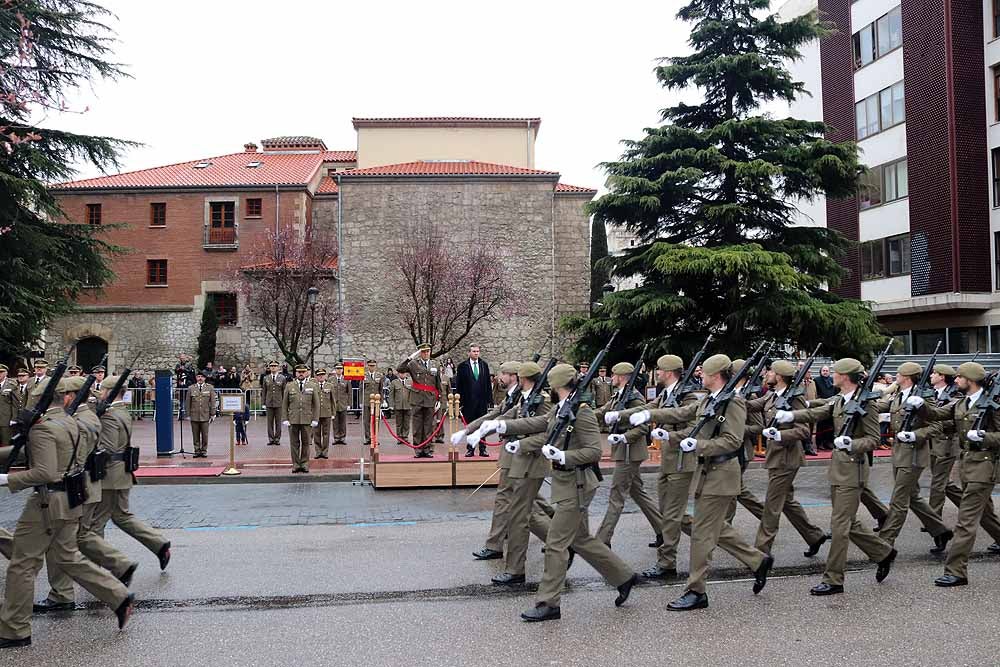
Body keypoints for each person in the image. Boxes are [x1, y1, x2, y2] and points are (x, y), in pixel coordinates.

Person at [487, 363, 638, 622]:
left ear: (557, 386)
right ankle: (623, 575)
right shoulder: (561, 408)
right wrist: (508, 432)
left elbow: (593, 451)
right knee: (580, 539)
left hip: (578, 483)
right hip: (566, 482)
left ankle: (549, 603)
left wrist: (563, 455)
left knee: (556, 544)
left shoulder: (583, 412)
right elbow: (542, 426)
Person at [0, 376, 134, 649]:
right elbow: (43, 452)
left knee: (22, 566)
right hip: (73, 498)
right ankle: (118, 596)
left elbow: (45, 471)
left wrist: (5, 480)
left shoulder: (44, 428)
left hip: (48, 502)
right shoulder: (71, 422)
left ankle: (15, 629)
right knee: (68, 557)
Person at [633, 354, 773, 611]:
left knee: (701, 534)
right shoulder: (710, 400)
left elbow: (733, 440)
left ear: (716, 375)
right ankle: (757, 560)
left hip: (721, 475)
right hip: (706, 473)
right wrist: (670, 434)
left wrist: (699, 445)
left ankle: (696, 591)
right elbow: (688, 419)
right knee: (713, 528)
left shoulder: (733, 403)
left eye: (704, 372)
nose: (700, 375)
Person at [774, 357, 897, 595]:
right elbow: (821, 411)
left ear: (845, 376)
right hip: (838, 469)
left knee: (839, 526)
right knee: (847, 522)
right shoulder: (842, 399)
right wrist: (792, 416)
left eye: (836, 373)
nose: (832, 376)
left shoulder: (867, 404)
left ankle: (833, 579)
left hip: (853, 470)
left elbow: (873, 439)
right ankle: (883, 552)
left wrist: (852, 443)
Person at [36, 375, 139, 613]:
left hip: (76, 485)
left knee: (64, 542)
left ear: (70, 396)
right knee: (79, 537)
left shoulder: (77, 421)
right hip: (87, 484)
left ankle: (65, 593)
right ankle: (118, 567)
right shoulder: (90, 416)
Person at [606, 354, 701, 578]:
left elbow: (694, 427)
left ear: (668, 372)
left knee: (672, 515)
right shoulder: (666, 395)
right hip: (668, 462)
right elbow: (647, 409)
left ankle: (668, 562)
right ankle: (708, 537)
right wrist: (618, 415)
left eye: (659, 370)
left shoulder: (687, 396)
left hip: (681, 462)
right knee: (670, 514)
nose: (656, 373)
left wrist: (670, 434)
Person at [917, 361, 1000, 586]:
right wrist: (920, 405)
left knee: (965, 521)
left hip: (983, 467)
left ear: (970, 380)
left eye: (959, 377)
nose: (956, 380)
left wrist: (984, 436)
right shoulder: (961, 404)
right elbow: (936, 415)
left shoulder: (992, 405)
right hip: (967, 466)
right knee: (985, 514)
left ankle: (956, 571)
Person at [473, 361, 556, 584]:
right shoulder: (522, 398)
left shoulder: (543, 401)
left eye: (505, 373)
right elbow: (506, 416)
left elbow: (547, 430)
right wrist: (476, 430)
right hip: (516, 458)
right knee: (518, 509)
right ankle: (512, 563)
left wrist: (521, 443)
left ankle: (561, 543)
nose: (501, 376)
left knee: (521, 511)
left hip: (530, 461)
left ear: (520, 377)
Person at [749, 360, 830, 556]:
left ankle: (761, 552)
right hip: (775, 456)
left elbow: (803, 430)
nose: (767, 374)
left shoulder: (795, 398)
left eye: (770, 372)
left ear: (778, 376)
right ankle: (814, 535)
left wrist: (780, 435)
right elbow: (752, 405)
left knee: (772, 504)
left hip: (787, 457)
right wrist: (732, 399)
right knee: (786, 501)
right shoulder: (771, 394)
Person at [91, 377, 171, 570]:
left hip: (111, 476)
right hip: (122, 473)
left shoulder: (109, 415)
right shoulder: (122, 412)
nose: (99, 394)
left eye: (101, 391)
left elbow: (108, 448)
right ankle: (158, 544)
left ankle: (96, 568)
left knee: (95, 524)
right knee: (121, 516)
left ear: (109, 391)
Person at [874, 362, 953, 552]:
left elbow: (936, 426)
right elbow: (882, 405)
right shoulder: (899, 395)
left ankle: (885, 544)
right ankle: (940, 530)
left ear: (907, 377)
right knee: (913, 496)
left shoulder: (923, 397)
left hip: (914, 454)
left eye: (899, 374)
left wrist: (914, 435)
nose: (896, 377)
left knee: (899, 500)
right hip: (899, 453)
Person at [456, 361, 524, 561]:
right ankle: (558, 536)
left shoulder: (523, 397)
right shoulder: (511, 396)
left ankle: (495, 544)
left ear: (513, 376)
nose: (499, 377)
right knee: (527, 502)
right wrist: (468, 430)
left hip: (518, 453)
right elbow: (493, 414)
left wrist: (485, 430)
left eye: (503, 374)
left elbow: (509, 421)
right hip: (511, 452)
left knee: (507, 499)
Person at [594, 361, 662, 547]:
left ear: (622, 376)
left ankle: (603, 539)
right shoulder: (620, 395)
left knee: (617, 495)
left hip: (630, 451)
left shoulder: (634, 398)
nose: (612, 378)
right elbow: (602, 411)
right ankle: (663, 530)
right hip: (624, 451)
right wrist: (583, 415)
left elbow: (643, 427)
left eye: (614, 375)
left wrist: (624, 437)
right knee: (638, 492)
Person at [925, 364, 965, 518]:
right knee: (943, 483)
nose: (931, 375)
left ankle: (934, 518)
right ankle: (970, 506)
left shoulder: (956, 396)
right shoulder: (932, 394)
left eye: (934, 373)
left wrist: (934, 423)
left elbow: (956, 420)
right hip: (933, 442)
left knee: (937, 482)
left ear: (942, 377)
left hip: (946, 443)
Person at [397, 344, 442, 458]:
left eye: (428, 351)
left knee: (429, 426)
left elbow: (438, 382)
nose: (426, 354)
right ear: (420, 353)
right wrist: (410, 357)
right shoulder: (413, 364)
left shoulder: (435, 364)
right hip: (417, 399)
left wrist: (439, 398)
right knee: (417, 426)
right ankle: (418, 449)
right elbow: (400, 369)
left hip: (430, 399)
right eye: (423, 352)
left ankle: (427, 449)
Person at [456, 345, 493, 457]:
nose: (476, 353)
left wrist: (489, 400)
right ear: (469, 352)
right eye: (474, 351)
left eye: (477, 351)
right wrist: (460, 402)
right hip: (468, 402)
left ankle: (483, 449)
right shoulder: (462, 366)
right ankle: (470, 449)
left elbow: (487, 383)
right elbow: (459, 385)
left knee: (482, 426)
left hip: (481, 402)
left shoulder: (483, 365)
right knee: (470, 426)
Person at [283, 364, 319, 473]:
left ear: (307, 373)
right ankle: (295, 464)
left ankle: (304, 463)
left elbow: (316, 404)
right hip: (293, 419)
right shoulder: (289, 386)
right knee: (294, 443)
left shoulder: (312, 386)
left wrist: (315, 419)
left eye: (303, 372)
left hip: (307, 419)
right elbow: (285, 404)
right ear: (295, 373)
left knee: (306, 442)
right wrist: (285, 418)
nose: (301, 374)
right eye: (299, 372)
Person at [184, 370, 217, 458]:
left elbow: (212, 402)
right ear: (196, 378)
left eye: (202, 377)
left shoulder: (210, 388)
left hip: (205, 415)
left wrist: (213, 413)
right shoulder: (191, 388)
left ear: (205, 378)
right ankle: (196, 450)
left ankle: (204, 450)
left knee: (205, 434)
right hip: (194, 415)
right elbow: (188, 402)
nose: (200, 378)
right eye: (198, 377)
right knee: (195, 434)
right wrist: (188, 414)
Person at [261, 361, 287, 446]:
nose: (273, 367)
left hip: (279, 403)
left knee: (278, 422)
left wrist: (285, 403)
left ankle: (277, 438)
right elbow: (264, 391)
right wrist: (263, 403)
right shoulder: (266, 378)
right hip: (269, 403)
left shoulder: (282, 378)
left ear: (278, 368)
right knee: (269, 422)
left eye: (275, 366)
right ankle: (271, 438)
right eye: (271, 366)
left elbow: (284, 392)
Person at [362, 359, 386, 448]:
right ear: (367, 366)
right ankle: (368, 438)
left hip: (376, 401)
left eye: (373, 366)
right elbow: (361, 389)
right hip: (366, 401)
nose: (372, 367)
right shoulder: (364, 375)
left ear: (375, 366)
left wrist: (382, 401)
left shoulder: (379, 376)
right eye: (370, 365)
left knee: (376, 420)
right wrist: (361, 401)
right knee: (366, 421)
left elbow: (381, 389)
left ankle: (375, 438)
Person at [313, 368, 333, 459]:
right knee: (316, 433)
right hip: (316, 414)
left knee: (326, 433)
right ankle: (318, 451)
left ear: (325, 376)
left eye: (322, 375)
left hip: (327, 412)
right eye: (319, 375)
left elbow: (333, 401)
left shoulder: (330, 386)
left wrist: (333, 413)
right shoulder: (313, 386)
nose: (321, 376)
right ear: (316, 376)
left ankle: (325, 452)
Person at [389, 370, 413, 441]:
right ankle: (399, 437)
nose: (403, 375)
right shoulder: (394, 382)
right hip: (398, 405)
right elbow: (391, 394)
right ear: (398, 374)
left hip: (408, 405)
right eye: (401, 373)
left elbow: (412, 394)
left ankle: (405, 437)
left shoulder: (410, 382)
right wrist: (391, 405)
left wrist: (412, 404)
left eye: (404, 373)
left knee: (406, 422)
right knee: (399, 423)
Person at [331, 364, 350, 445]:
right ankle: (336, 437)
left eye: (340, 369)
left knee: (343, 422)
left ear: (342, 370)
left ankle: (342, 438)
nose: (339, 370)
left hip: (343, 404)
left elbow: (349, 392)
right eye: (337, 369)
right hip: (334, 404)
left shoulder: (346, 379)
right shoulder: (331, 380)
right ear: (335, 370)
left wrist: (349, 404)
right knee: (335, 422)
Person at [0, 364, 17, 447]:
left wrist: (13, 418)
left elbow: (15, 403)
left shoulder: (12, 385)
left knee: (6, 442)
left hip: (5, 419)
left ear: (6, 373)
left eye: (1, 372)